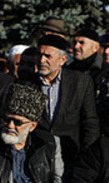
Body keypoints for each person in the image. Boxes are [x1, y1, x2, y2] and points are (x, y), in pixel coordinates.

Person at [36, 34, 99, 163]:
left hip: (70, 158)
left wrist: (86, 158)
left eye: (48, 56)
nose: (42, 60)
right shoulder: (28, 84)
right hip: (36, 158)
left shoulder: (80, 82)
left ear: (62, 60)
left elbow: (90, 122)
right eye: (39, 55)